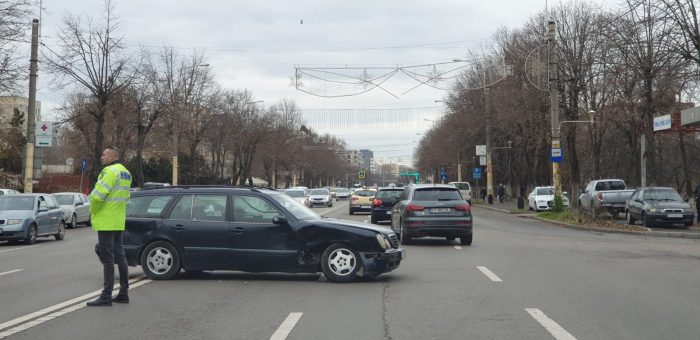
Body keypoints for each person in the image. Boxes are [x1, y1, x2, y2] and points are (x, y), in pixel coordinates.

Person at [86, 146, 133, 307]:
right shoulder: (126, 172)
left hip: (106, 220)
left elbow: (98, 196)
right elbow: (126, 197)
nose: (101, 157)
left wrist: (93, 211)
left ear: (112, 157)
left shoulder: (109, 172)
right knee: (120, 256)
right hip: (118, 220)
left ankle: (106, 295)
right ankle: (124, 293)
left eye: (104, 154)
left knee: (108, 260)